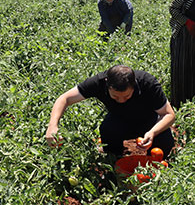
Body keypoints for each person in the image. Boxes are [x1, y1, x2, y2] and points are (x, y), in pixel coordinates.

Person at [45, 65, 176, 158]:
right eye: (115, 97)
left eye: (126, 96)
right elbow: (64, 98)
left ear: (134, 85)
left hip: (149, 122)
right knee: (108, 130)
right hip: (119, 121)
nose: (121, 101)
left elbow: (169, 114)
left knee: (163, 149)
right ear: (107, 85)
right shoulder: (98, 82)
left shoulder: (148, 83)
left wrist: (152, 132)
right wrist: (52, 126)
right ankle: (114, 157)